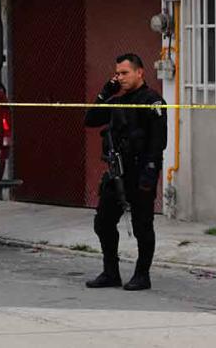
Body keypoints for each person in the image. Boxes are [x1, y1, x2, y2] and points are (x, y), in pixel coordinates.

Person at [85, 53, 167, 291]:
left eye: (125, 73)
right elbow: (90, 119)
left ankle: (142, 275)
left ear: (139, 72)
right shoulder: (117, 101)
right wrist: (105, 91)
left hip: (141, 171)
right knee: (103, 222)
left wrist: (150, 174)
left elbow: (158, 141)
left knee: (142, 225)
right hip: (117, 173)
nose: (120, 78)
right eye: (117, 74)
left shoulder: (152, 100)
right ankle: (111, 272)